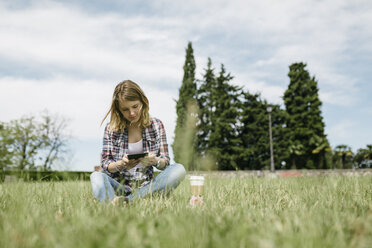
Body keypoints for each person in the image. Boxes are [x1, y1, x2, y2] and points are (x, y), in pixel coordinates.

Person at [90, 80, 186, 204]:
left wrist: (155, 161)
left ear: (143, 102)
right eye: (125, 109)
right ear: (119, 110)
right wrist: (121, 164)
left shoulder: (156, 125)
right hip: (119, 186)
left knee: (179, 169)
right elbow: (105, 164)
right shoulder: (111, 129)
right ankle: (128, 200)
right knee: (96, 176)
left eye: (135, 106)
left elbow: (165, 162)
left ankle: (123, 202)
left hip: (147, 187)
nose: (132, 113)